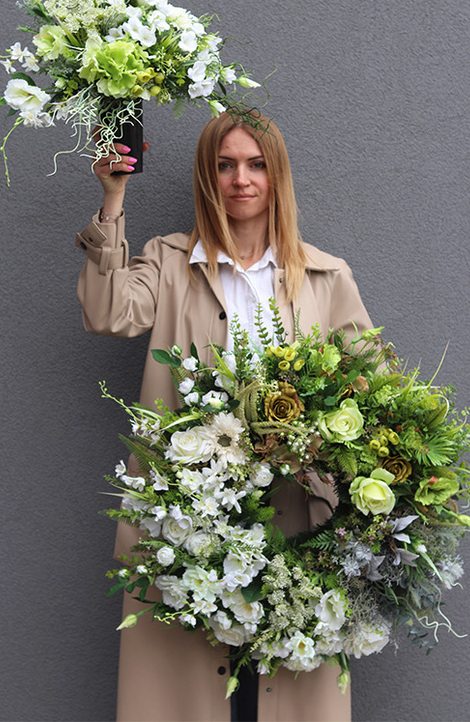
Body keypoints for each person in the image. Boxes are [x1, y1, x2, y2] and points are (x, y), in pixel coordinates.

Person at [76, 110, 373, 722]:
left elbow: (372, 389)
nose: (242, 179)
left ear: (277, 175)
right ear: (206, 177)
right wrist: (113, 197)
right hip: (182, 513)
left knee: (299, 681)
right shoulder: (167, 260)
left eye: (257, 164)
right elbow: (109, 314)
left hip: (298, 507)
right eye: (226, 164)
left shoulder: (324, 277)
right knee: (174, 691)